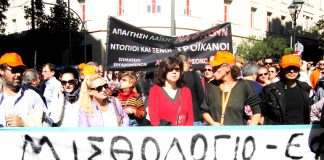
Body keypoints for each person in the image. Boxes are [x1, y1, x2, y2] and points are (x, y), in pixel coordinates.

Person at [200, 51, 261, 125]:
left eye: (216, 67)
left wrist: (251, 129)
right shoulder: (211, 86)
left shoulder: (244, 86)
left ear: (227, 68)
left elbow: (256, 110)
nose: (213, 70)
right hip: (216, 135)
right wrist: (212, 123)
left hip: (238, 135)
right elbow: (204, 110)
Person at [260, 54, 312, 125]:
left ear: (299, 69)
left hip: (301, 132)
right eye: (288, 68)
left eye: (295, 68)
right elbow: (260, 113)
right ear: (282, 69)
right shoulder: (270, 90)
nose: (292, 71)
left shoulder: (305, 88)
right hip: (278, 132)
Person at [0, 52, 47, 127]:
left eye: (21, 70)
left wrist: (25, 124)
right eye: (14, 70)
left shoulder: (32, 96)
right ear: (1, 71)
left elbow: (46, 125)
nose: (18, 74)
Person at [148, 55, 194, 126]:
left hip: (183, 134)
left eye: (177, 69)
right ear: (164, 71)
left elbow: (190, 117)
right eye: (170, 69)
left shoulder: (186, 91)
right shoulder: (155, 90)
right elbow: (154, 119)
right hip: (163, 134)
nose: (174, 72)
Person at [177, 53, 205, 126]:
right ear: (184, 62)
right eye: (188, 62)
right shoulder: (193, 75)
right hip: (194, 116)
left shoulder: (174, 78)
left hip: (179, 118)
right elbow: (201, 96)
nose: (190, 64)